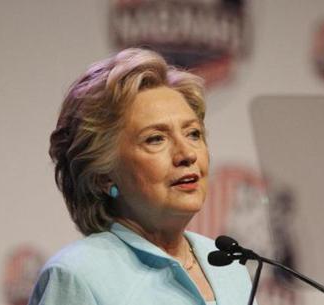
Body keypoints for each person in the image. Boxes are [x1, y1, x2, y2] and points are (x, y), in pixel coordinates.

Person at [28, 48, 254, 305]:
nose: (186, 154)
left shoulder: (227, 264)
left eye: (193, 133)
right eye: (155, 139)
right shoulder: (77, 276)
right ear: (103, 175)